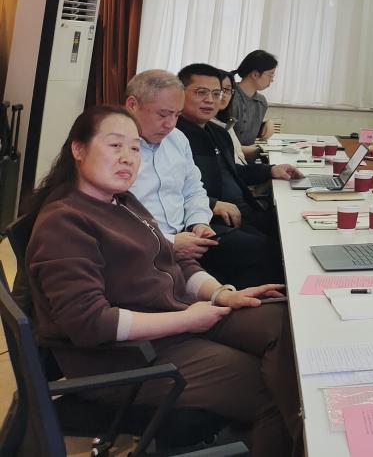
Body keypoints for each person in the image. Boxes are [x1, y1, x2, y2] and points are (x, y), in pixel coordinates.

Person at [23, 106, 301, 455]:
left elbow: (175, 261)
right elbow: (89, 323)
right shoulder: (65, 222)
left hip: (172, 322)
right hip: (127, 358)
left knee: (285, 323)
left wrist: (220, 294)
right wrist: (188, 319)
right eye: (114, 145)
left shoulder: (122, 202)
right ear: (78, 149)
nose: (128, 158)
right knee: (278, 391)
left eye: (135, 148)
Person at [177, 63, 300, 285]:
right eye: (201, 92)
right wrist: (212, 204)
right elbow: (173, 189)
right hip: (210, 219)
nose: (210, 100)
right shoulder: (174, 136)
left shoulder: (218, 132)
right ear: (180, 93)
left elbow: (235, 173)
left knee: (293, 225)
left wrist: (271, 169)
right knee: (266, 249)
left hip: (244, 211)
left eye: (217, 93)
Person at [123, 69, 220, 263]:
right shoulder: (114, 149)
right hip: (139, 248)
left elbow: (193, 189)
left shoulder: (177, 139)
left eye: (176, 115)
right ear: (132, 105)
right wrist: (170, 241)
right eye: (163, 114)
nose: (170, 124)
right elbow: (112, 217)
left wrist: (198, 222)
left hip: (186, 236)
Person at [227, 49, 277, 146]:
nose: (272, 80)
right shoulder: (229, 97)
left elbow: (248, 132)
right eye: (271, 75)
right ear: (255, 74)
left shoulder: (261, 101)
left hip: (247, 154)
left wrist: (267, 124)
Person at [214, 70, 258, 165]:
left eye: (228, 90)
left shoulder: (225, 122)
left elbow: (237, 152)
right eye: (219, 89)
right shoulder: (207, 125)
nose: (223, 95)